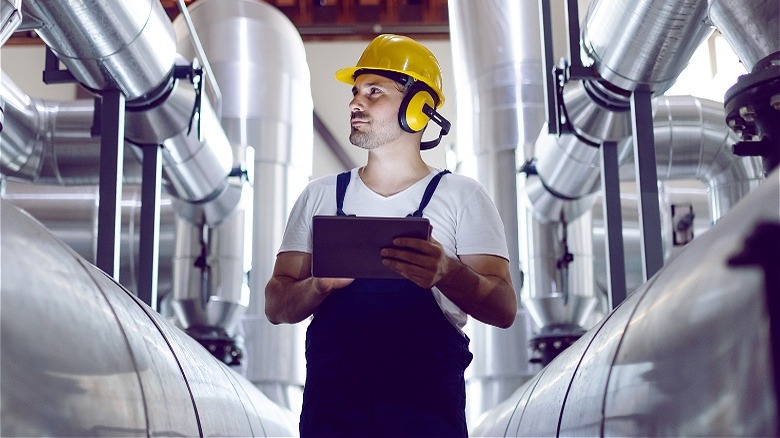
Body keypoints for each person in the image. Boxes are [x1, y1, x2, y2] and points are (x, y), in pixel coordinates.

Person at [264, 34, 517, 437]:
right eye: (355, 92)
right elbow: (276, 305)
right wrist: (318, 285)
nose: (355, 103)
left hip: (426, 419)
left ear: (418, 108)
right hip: (332, 420)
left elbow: (503, 309)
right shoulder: (320, 195)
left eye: (374, 91)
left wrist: (448, 272)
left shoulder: (462, 196)